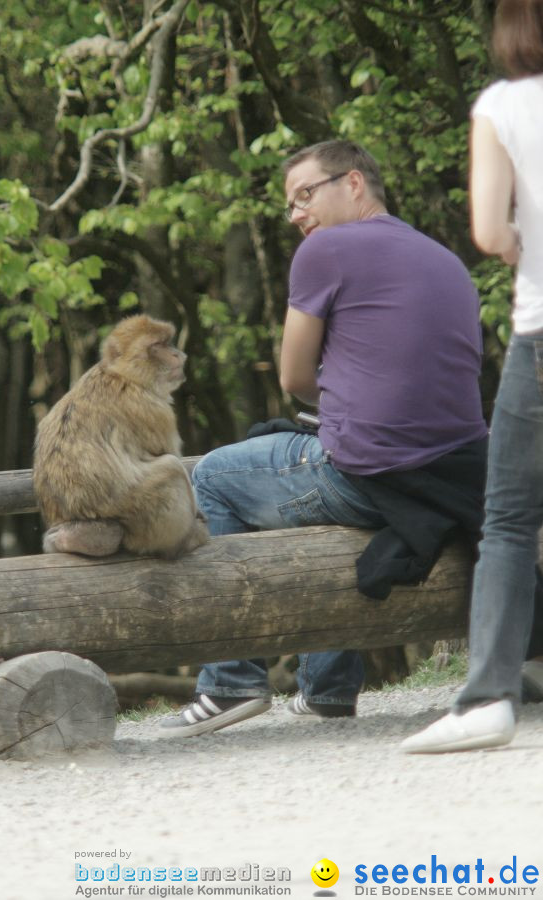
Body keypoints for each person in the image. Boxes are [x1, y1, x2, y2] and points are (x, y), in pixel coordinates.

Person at [159, 139, 488, 739]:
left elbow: (293, 378)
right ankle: (328, 691)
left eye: (305, 195)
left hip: (369, 472)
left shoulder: (327, 250)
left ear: (354, 183)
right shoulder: (445, 258)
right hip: (455, 476)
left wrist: (340, 407)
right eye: (290, 205)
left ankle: (232, 679)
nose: (296, 215)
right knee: (310, 478)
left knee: (214, 475)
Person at [402, 0, 543, 754]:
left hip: (542, 331)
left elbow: (489, 232)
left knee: (511, 521)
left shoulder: (504, 106)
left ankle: (489, 696)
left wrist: (525, 242)